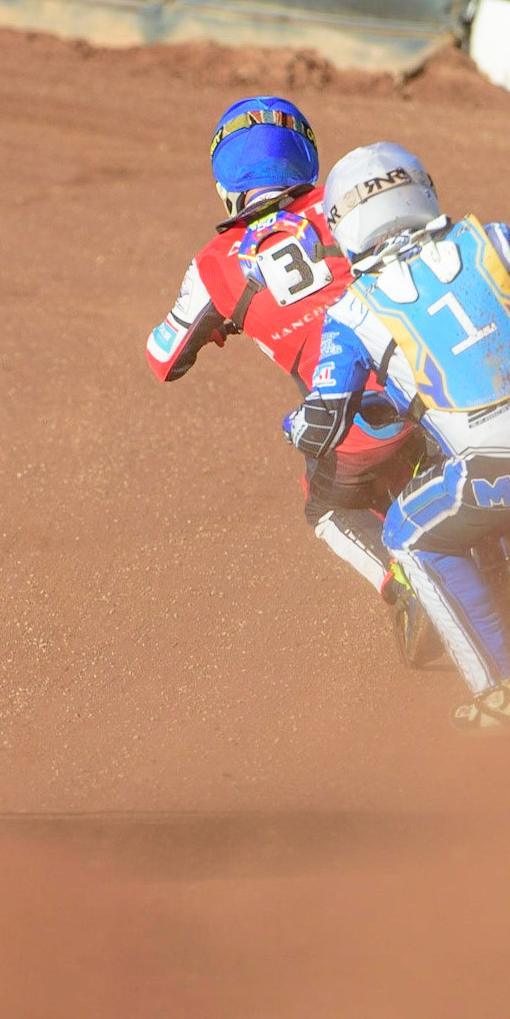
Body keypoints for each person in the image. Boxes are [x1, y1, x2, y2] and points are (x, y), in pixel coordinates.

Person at [284, 144, 510, 732]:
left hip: (498, 476)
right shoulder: (492, 239)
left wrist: (297, 425)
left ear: (342, 227)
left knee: (408, 534)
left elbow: (324, 423)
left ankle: (503, 691)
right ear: (421, 188)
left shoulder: (352, 314)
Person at [146, 97, 431, 651]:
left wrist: (223, 321)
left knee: (324, 504)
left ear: (225, 182)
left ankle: (402, 585)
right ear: (306, 157)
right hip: (432, 378)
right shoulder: (344, 199)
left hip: (350, 428)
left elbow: (163, 359)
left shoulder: (212, 265)